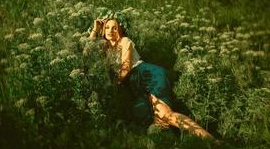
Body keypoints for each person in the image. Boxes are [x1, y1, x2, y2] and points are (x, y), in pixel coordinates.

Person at [89, 12, 216, 141]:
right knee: (158, 120)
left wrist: (114, 85)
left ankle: (212, 141)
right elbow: (87, 51)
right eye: (107, 27)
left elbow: (126, 68)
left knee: (166, 115)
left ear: (120, 30)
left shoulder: (124, 41)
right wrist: (95, 29)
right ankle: (181, 146)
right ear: (103, 30)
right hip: (137, 85)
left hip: (147, 75)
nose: (111, 30)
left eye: (114, 27)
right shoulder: (106, 49)